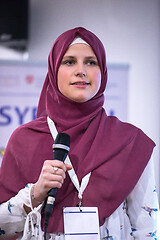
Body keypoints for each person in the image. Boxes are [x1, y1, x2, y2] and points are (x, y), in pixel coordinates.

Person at [0, 27, 159, 240]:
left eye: (91, 62)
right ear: (54, 71)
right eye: (69, 61)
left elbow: (147, 231)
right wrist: (34, 194)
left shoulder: (130, 142)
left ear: (102, 71)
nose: (81, 70)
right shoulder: (24, 140)